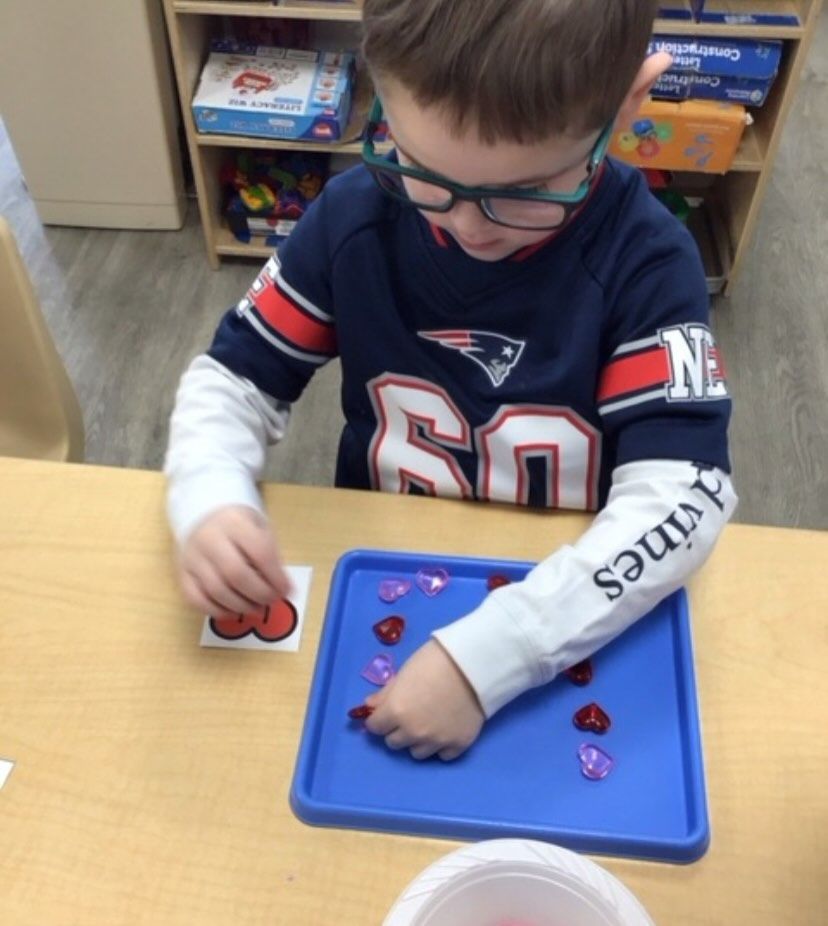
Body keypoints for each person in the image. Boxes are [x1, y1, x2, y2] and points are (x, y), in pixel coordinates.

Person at [165, 0, 737, 762]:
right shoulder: (351, 219)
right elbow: (235, 378)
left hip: (570, 591)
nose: (467, 226)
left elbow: (687, 494)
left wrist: (495, 656)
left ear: (629, 103)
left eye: (529, 190)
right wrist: (208, 494)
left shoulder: (649, 265)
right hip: (381, 569)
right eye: (421, 170)